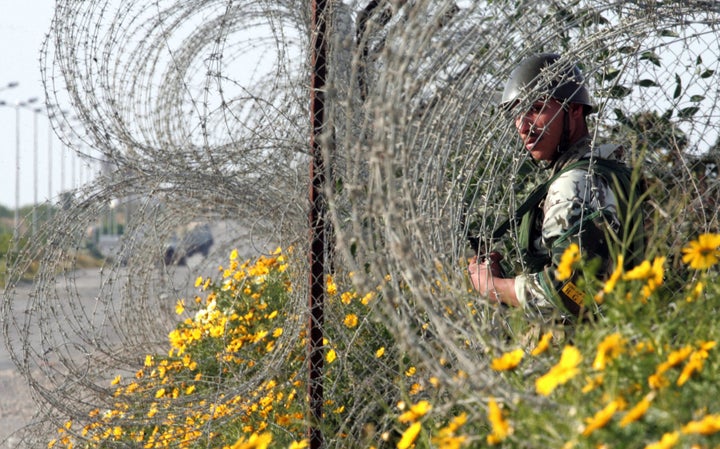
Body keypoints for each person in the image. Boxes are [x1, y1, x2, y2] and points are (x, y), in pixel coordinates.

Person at [468, 53, 645, 318]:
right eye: (516, 114)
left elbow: (571, 290)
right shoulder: (605, 167)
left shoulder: (574, 183)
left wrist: (492, 287)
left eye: (536, 109)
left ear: (574, 110)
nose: (522, 126)